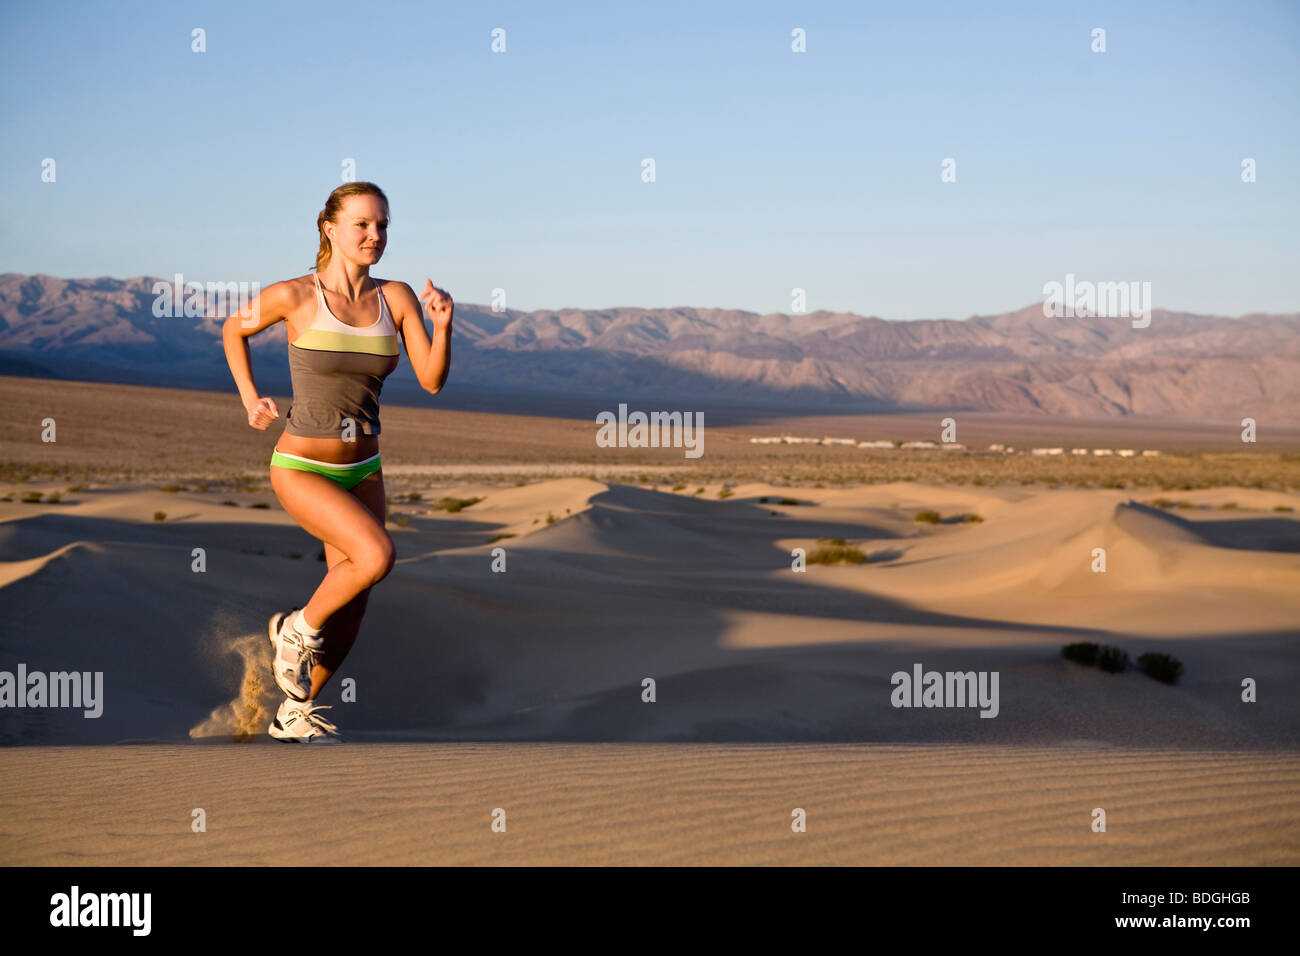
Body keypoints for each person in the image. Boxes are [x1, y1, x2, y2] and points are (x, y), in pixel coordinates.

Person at [222, 181, 453, 741]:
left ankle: (294, 712)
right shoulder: (295, 295)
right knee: (376, 555)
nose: (375, 236)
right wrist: (252, 398)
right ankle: (294, 629)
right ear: (330, 228)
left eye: (383, 226)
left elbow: (430, 380)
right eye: (363, 225)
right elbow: (234, 328)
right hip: (302, 465)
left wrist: (442, 326)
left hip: (364, 469)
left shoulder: (394, 298)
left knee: (354, 600)